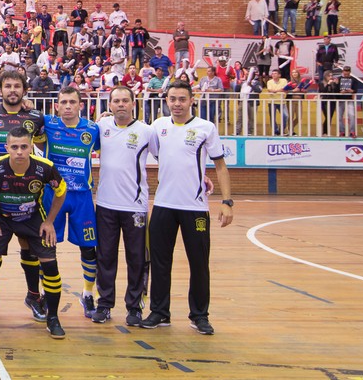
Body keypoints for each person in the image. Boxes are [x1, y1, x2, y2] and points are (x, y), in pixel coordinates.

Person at [143, 81, 233, 335]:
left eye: (182, 99)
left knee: (199, 262)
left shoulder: (206, 128)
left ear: (192, 100)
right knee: (160, 262)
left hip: (195, 208)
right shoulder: (158, 127)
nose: (177, 104)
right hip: (163, 205)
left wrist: (227, 202)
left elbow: (220, 166)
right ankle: (160, 312)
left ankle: (199, 315)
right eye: (172, 99)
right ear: (166, 101)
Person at [0, 128, 67, 338]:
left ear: (31, 147)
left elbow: (61, 191)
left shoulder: (45, 168)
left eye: (24, 147)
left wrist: (49, 221)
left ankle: (52, 317)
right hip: (2, 218)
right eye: (14, 147)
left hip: (33, 218)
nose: (19, 152)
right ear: (6, 148)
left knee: (50, 265)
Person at [0, 70, 47, 321]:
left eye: (17, 86)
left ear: (24, 90)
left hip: (27, 191)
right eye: (8, 86)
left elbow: (50, 139)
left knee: (30, 247)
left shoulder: (36, 116)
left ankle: (33, 295)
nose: (13, 90)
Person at [92, 86, 155, 326]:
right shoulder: (102, 127)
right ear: (109, 105)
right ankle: (104, 305)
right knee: (105, 257)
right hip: (106, 205)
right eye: (116, 101)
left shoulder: (147, 132)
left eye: (124, 100)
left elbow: (168, 156)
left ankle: (135, 307)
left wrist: (200, 176)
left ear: (132, 103)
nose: (120, 104)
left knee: (137, 258)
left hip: (135, 207)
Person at [41, 87, 101, 318]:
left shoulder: (93, 129)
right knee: (46, 247)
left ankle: (88, 293)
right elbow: (22, 113)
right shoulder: (48, 124)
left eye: (72, 102)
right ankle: (47, 292)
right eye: (63, 102)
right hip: (52, 194)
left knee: (88, 247)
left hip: (82, 197)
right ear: (56, 105)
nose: (67, 106)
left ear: (80, 105)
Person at [337, 66, 363, 138]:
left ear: (350, 72)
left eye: (347, 71)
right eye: (345, 71)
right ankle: (342, 131)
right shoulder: (338, 79)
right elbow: (336, 89)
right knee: (339, 117)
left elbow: (355, 90)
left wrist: (352, 91)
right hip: (340, 100)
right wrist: (340, 92)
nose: (346, 72)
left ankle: (352, 131)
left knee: (352, 115)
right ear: (343, 71)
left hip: (349, 100)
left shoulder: (354, 80)